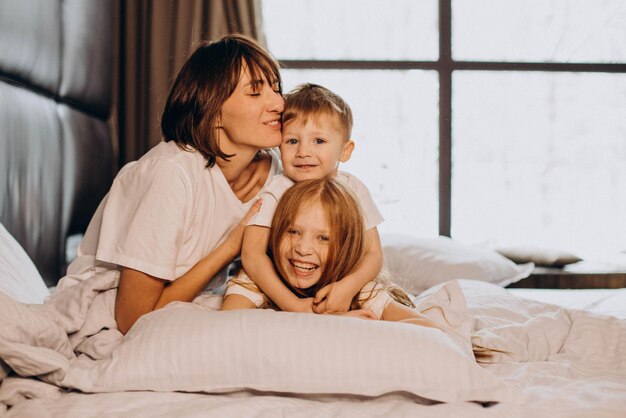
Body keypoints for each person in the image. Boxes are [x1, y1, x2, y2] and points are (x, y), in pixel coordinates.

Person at [56, 34, 285, 335]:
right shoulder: (170, 174)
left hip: (186, 302)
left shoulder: (274, 171)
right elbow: (132, 318)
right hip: (110, 314)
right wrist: (232, 245)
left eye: (276, 88)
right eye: (255, 93)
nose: (279, 103)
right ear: (213, 110)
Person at [241, 83, 384, 314]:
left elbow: (374, 254)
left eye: (318, 141)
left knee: (377, 297)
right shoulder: (278, 189)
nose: (303, 152)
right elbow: (252, 254)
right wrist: (292, 304)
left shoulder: (353, 189)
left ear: (345, 151)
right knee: (238, 296)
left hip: (334, 278)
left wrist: (348, 286)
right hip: (279, 279)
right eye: (292, 141)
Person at [223, 178, 434, 326]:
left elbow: (427, 329)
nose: (303, 249)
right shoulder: (254, 283)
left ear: (346, 248)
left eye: (323, 238)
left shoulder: (359, 291)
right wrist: (328, 321)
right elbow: (229, 324)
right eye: (293, 231)